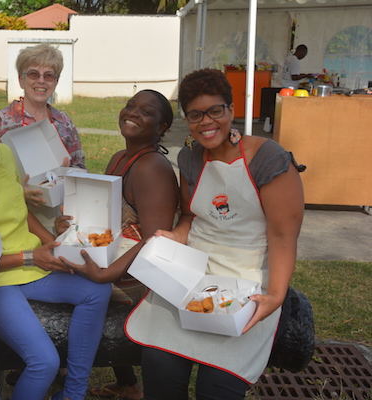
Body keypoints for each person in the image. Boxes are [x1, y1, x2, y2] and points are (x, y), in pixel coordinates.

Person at [124, 68, 305, 400]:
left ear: (231, 110)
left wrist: (276, 295)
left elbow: (283, 236)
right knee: (160, 366)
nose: (206, 122)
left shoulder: (269, 160)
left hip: (249, 280)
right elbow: (193, 215)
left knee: (217, 387)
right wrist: (175, 235)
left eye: (215, 111)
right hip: (193, 275)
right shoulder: (190, 159)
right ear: (187, 120)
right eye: (196, 115)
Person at [0, 89, 112, 400]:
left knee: (97, 290)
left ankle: (73, 394)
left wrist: (48, 240)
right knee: (44, 362)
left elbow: (19, 207)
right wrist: (30, 257)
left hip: (34, 261)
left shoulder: (5, 155)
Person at [57, 90, 180, 400]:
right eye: (130, 106)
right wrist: (69, 226)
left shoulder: (153, 168)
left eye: (147, 112)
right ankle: (126, 383)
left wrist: (106, 274)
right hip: (117, 259)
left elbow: (157, 239)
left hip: (139, 277)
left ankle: (62, 372)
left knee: (53, 281)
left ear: (162, 127)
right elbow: (104, 217)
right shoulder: (120, 158)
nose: (134, 113)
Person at [0, 43, 85, 209]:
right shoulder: (1, 122)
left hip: (58, 209)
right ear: (21, 80)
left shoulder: (63, 122)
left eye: (49, 76)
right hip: (13, 210)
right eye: (33, 74)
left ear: (56, 82)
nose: (41, 81)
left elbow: (79, 166)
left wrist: (67, 175)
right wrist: (17, 191)